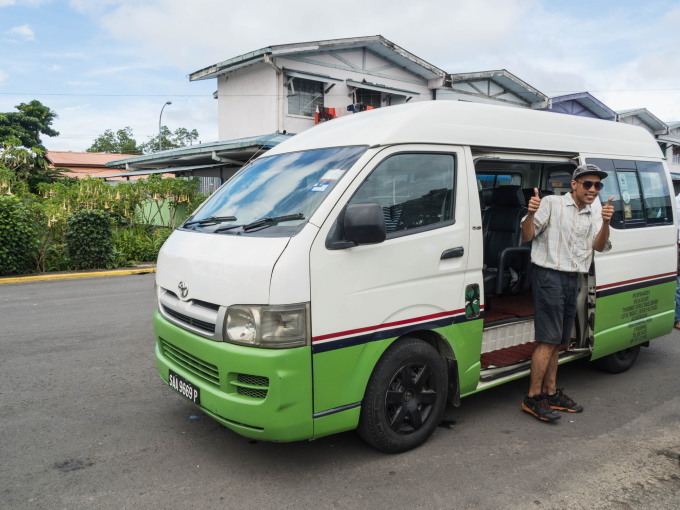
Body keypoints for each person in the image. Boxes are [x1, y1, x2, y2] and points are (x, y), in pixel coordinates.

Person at [520, 164, 614, 422]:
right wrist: (529, 215)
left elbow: (601, 245)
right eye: (588, 184)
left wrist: (605, 223)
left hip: (574, 278)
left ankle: (550, 393)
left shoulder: (595, 211)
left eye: (598, 185)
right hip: (549, 276)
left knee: (559, 340)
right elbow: (527, 236)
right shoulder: (551, 203)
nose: (593, 190)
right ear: (574, 184)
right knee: (548, 339)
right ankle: (533, 397)